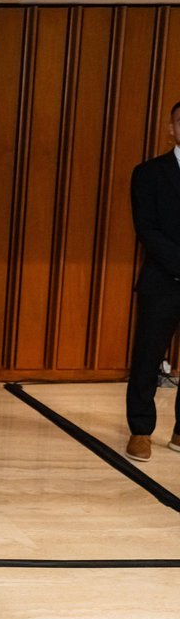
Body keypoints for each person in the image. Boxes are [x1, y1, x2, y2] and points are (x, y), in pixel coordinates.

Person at [124, 100, 180, 462]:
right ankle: (141, 430)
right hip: (162, 280)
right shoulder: (148, 173)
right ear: (172, 128)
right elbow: (147, 230)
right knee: (147, 357)